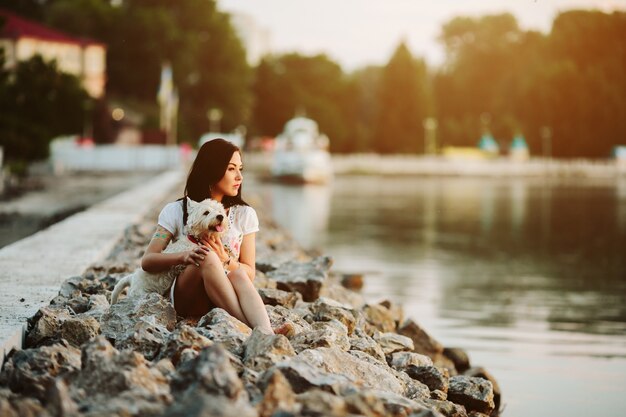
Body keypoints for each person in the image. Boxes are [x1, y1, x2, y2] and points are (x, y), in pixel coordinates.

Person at [140, 138, 285, 335]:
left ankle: (265, 330)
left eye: (240, 169)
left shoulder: (244, 214)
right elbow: (148, 261)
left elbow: (250, 272)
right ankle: (250, 327)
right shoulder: (176, 210)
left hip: (224, 296)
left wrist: (226, 260)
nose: (239, 177)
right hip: (188, 299)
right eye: (231, 169)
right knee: (206, 255)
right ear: (212, 169)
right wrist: (184, 257)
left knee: (239, 273)